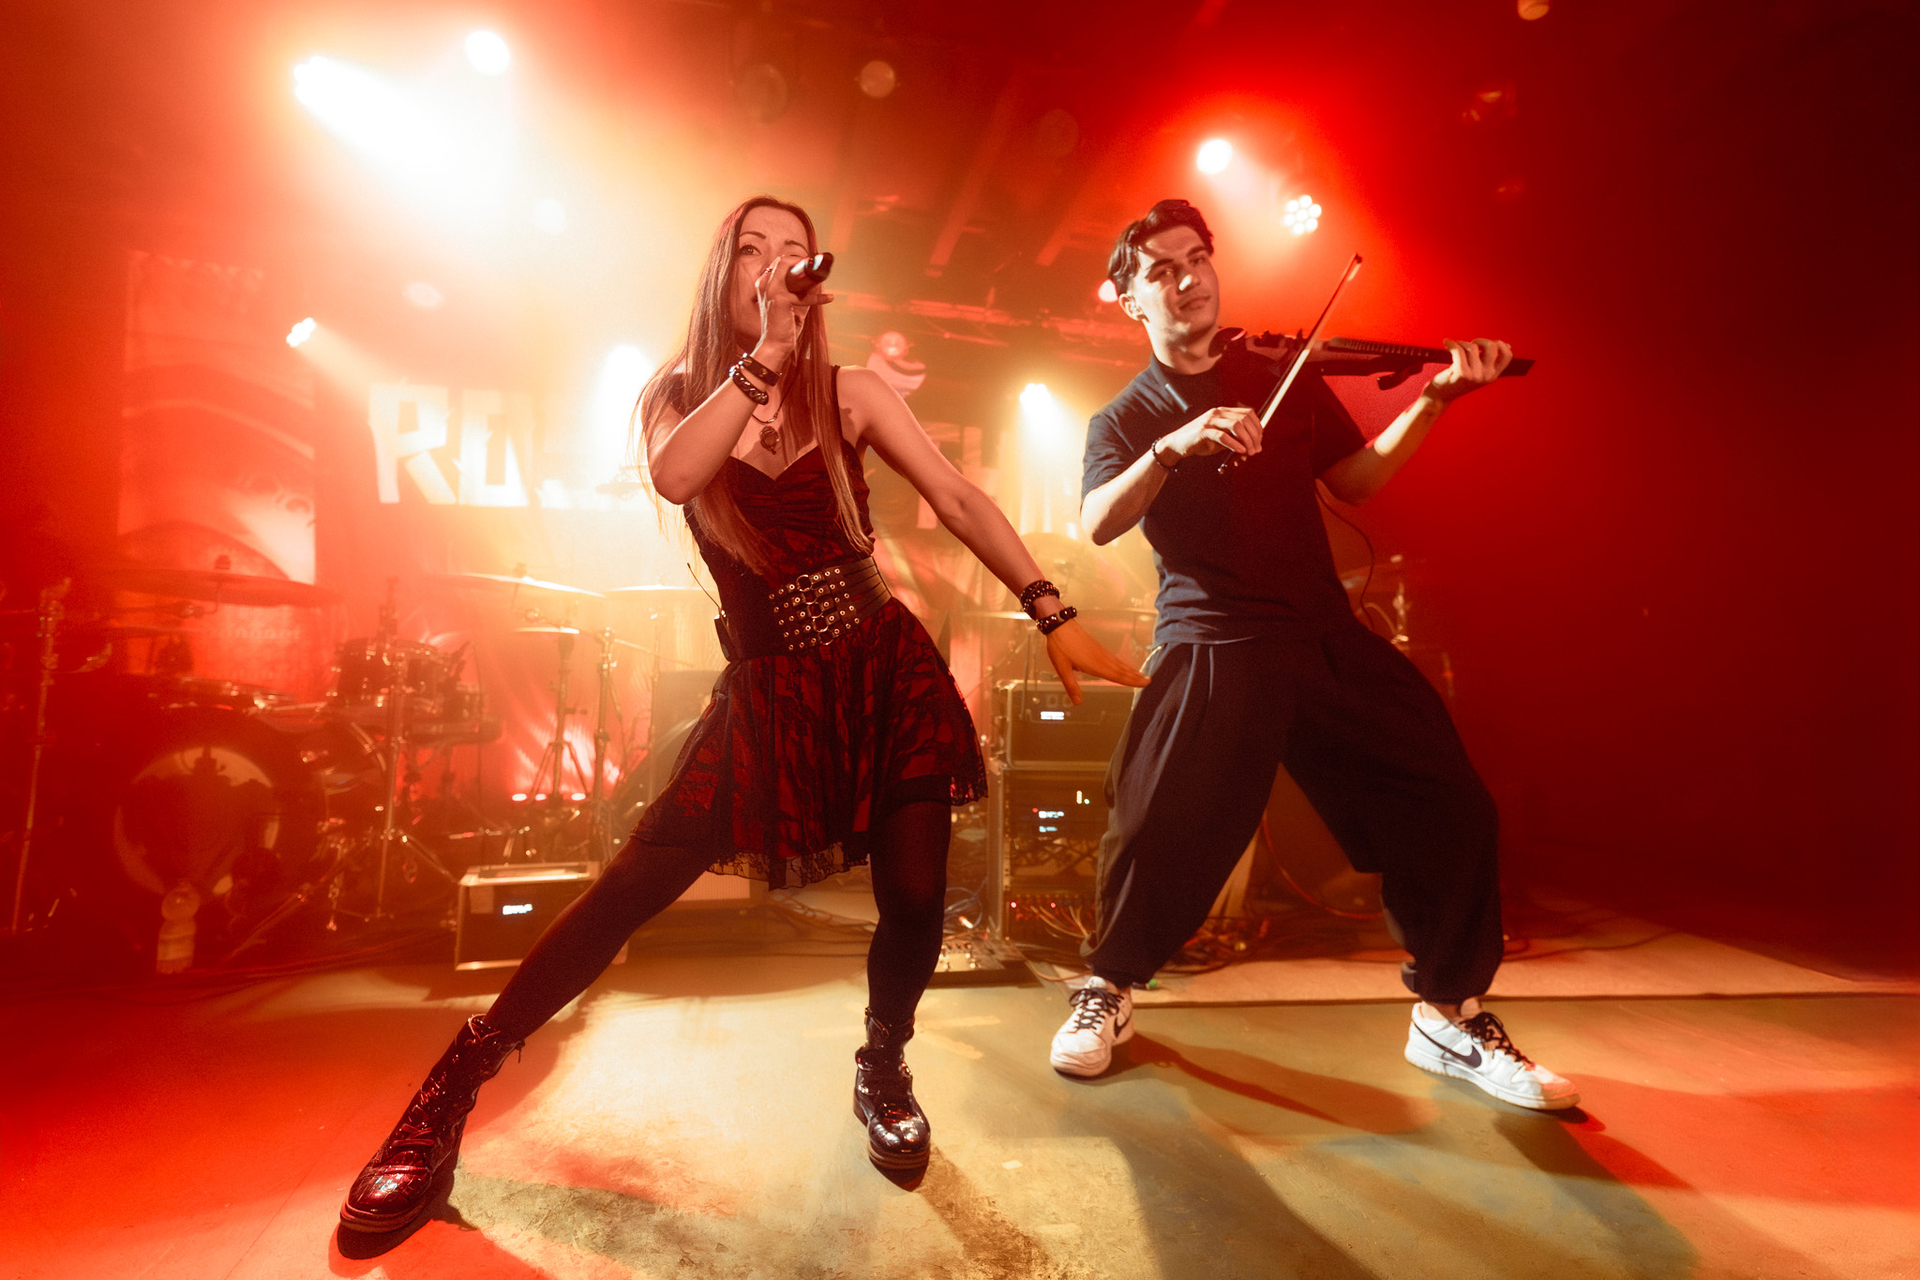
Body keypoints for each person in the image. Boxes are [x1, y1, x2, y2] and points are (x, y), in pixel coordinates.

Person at [340, 195, 1147, 1234]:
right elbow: (679, 474)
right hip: (770, 693)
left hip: (880, 665)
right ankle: (444, 1099)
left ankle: (883, 1064)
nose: (775, 265)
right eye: (752, 250)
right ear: (724, 275)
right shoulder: (680, 399)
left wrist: (1050, 609)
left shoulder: (851, 393)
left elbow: (955, 496)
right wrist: (765, 353)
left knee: (914, 894)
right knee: (629, 889)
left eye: (793, 252)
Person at [1047, 198, 1577, 1112]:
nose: (1188, 279)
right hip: (1214, 637)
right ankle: (1109, 988)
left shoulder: (1276, 377)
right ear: (1129, 299)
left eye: (1196, 258)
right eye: (1162, 271)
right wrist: (1173, 448)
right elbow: (1097, 522)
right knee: (1157, 824)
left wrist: (1434, 399)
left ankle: (1449, 1015)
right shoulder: (1126, 418)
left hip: (1320, 631)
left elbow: (1357, 481)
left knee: (1448, 800)